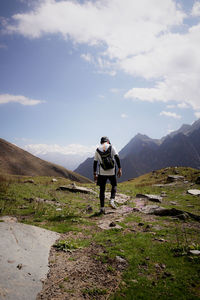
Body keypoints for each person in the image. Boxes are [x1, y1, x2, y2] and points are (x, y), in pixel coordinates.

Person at [93, 136, 122, 214]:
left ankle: (102, 208)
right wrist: (119, 169)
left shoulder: (97, 149)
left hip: (102, 172)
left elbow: (95, 162)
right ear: (108, 141)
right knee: (114, 185)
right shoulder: (112, 147)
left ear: (101, 142)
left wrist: (95, 174)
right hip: (111, 172)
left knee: (102, 190)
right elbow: (117, 157)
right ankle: (112, 200)